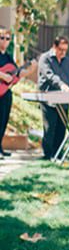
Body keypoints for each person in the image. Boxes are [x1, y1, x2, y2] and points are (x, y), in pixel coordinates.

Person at [38, 36, 69, 160]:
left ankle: (58, 153)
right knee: (50, 127)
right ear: (54, 46)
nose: (63, 53)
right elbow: (50, 76)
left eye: (65, 50)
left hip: (63, 98)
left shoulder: (67, 60)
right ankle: (48, 155)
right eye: (60, 49)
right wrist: (61, 84)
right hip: (48, 97)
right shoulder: (45, 58)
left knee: (62, 127)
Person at [0, 27, 16, 157]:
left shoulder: (8, 57)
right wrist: (3, 76)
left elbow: (14, 74)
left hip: (5, 93)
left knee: (3, 120)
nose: (5, 41)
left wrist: (28, 70)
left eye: (7, 39)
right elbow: (5, 75)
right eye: (2, 38)